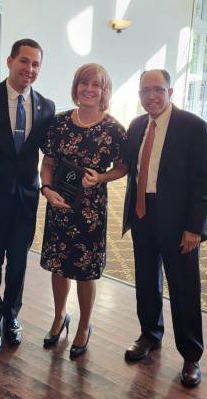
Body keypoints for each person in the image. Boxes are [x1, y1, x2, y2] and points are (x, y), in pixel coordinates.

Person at [122, 69, 207, 386]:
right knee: (146, 280)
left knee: (184, 287)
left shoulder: (193, 127)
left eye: (157, 90)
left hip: (179, 222)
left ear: (170, 91)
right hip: (143, 215)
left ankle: (191, 356)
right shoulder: (136, 126)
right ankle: (149, 334)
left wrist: (194, 228)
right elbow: (128, 168)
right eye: (145, 91)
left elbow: (204, 183)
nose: (151, 96)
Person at [0, 39, 55, 352]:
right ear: (9, 61)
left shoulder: (46, 106)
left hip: (25, 198)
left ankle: (11, 315)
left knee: (19, 262)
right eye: (24, 61)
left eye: (35, 64)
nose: (29, 69)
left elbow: (51, 154)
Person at [40, 63, 127, 358]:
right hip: (58, 205)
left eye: (96, 85)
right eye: (83, 84)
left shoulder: (114, 129)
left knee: (85, 271)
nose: (89, 90)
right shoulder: (60, 122)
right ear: (76, 86)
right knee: (58, 265)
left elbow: (123, 167)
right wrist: (47, 190)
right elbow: (48, 163)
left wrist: (101, 178)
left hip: (90, 210)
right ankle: (60, 315)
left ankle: (85, 325)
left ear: (104, 91)